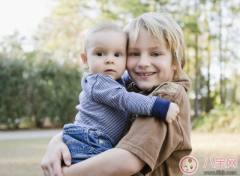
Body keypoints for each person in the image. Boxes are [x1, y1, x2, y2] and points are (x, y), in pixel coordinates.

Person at [41, 12, 192, 176]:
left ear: (176, 61)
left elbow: (126, 161)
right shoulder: (127, 87)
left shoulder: (167, 95)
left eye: (155, 53)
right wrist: (57, 141)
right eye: (134, 54)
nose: (143, 63)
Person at [62, 22, 179, 164]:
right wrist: (160, 107)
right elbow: (123, 98)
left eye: (117, 54)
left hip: (98, 142)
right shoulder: (97, 82)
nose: (110, 60)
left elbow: (133, 77)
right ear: (85, 60)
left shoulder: (118, 80)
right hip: (88, 142)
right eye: (100, 54)